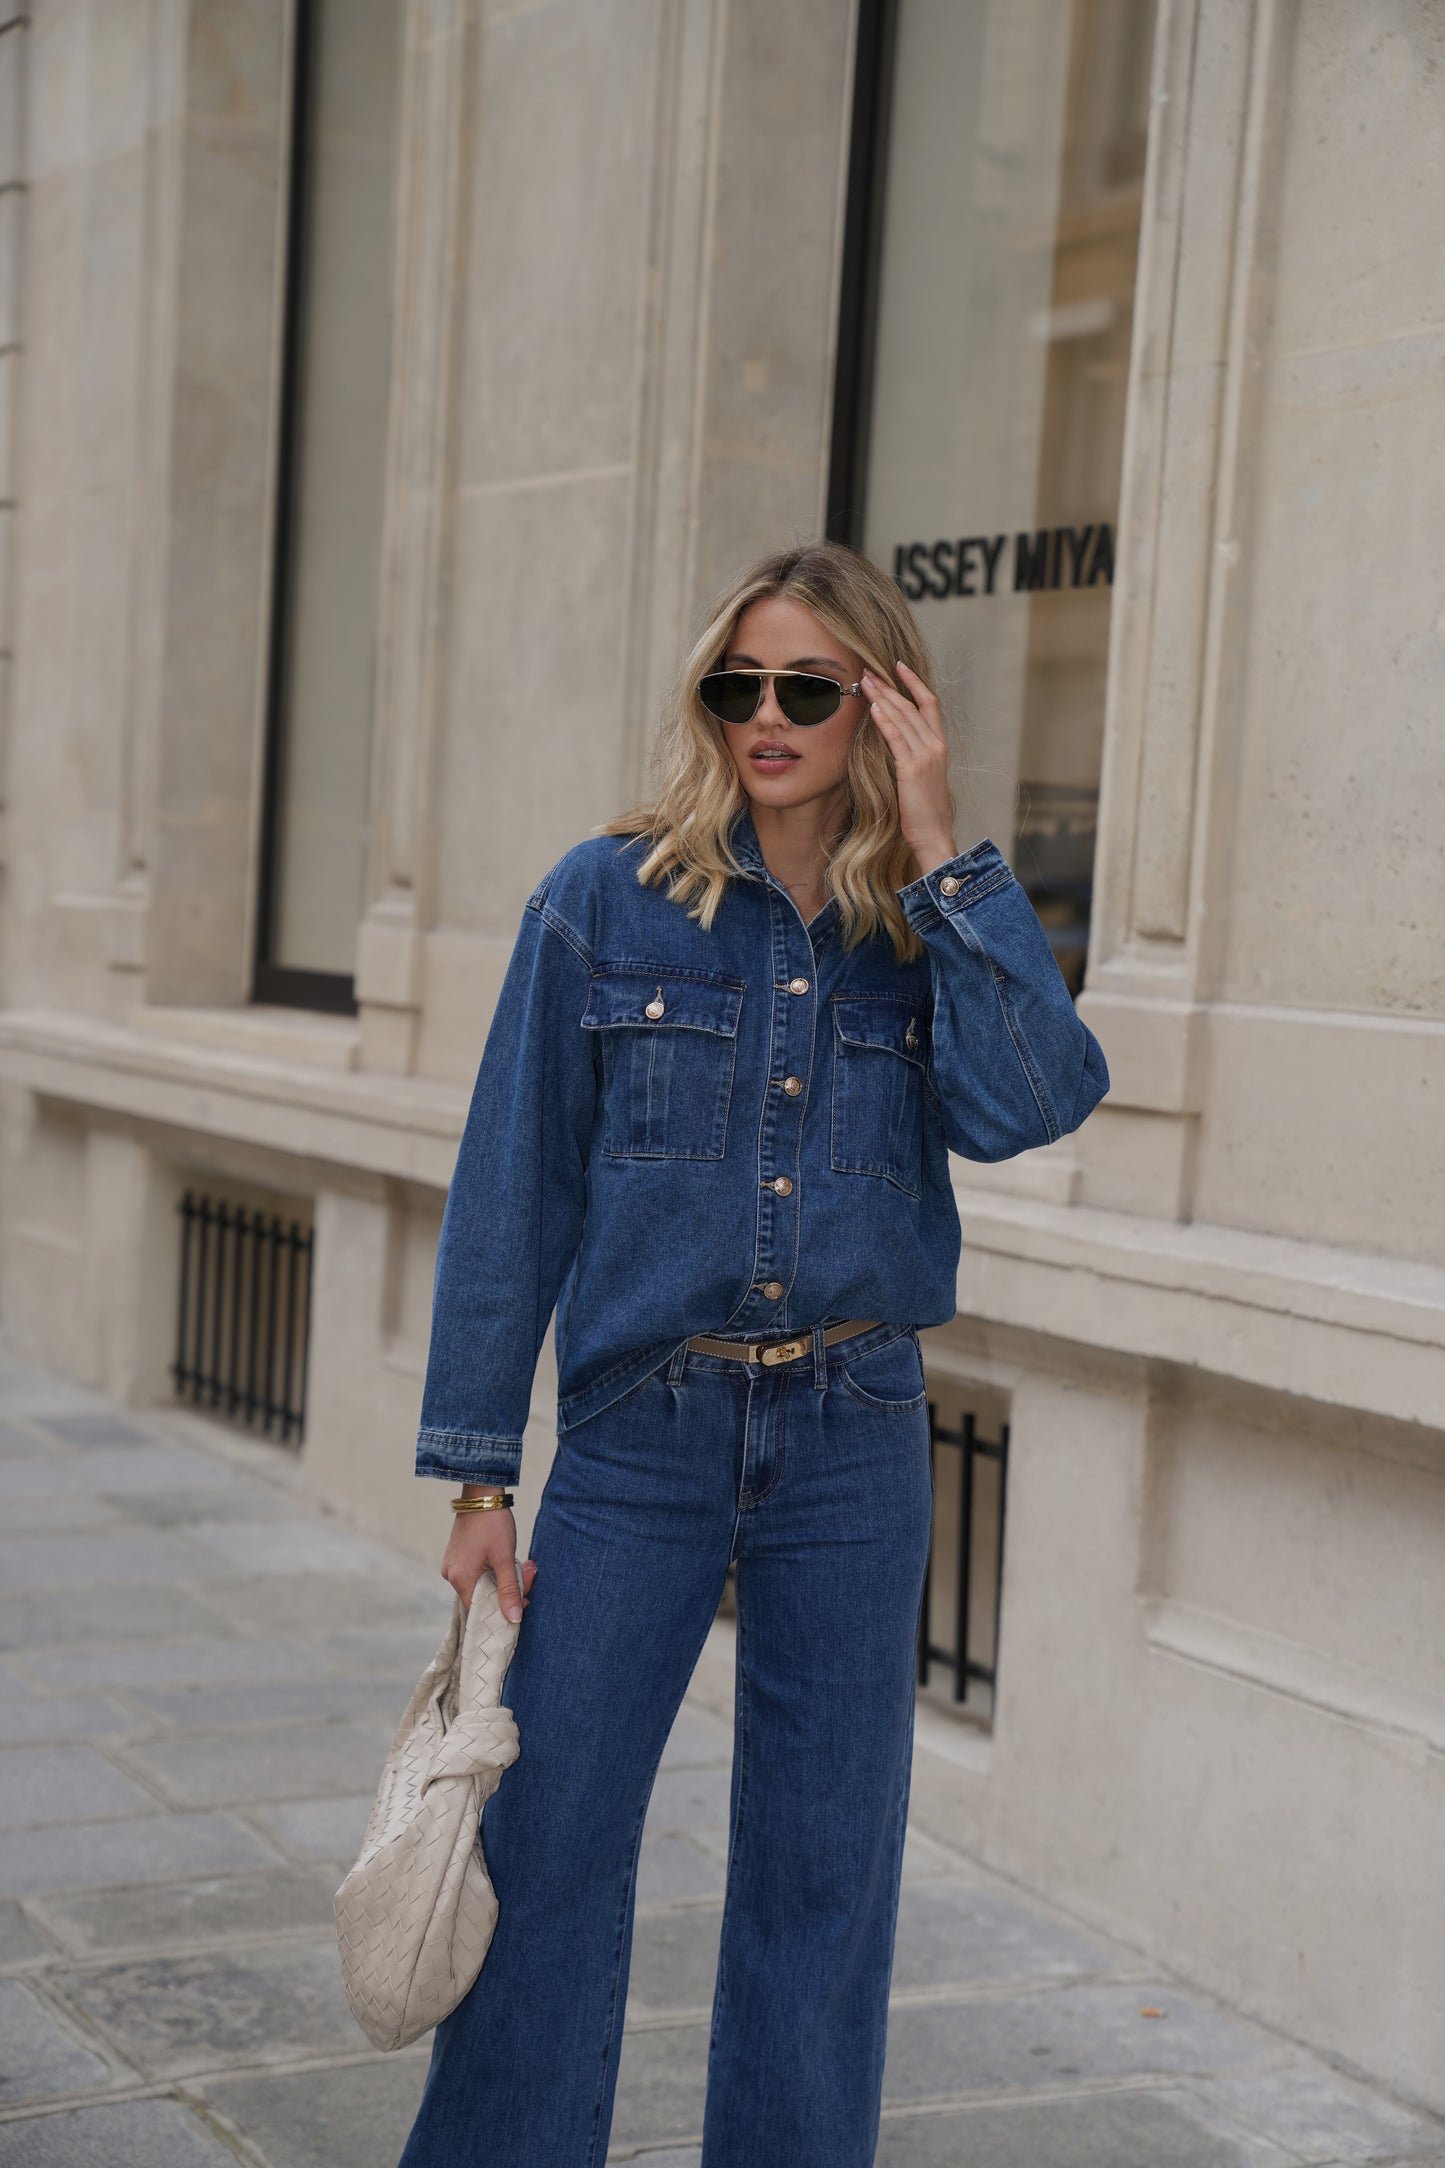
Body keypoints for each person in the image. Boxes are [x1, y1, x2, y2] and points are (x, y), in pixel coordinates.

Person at [397, 539, 1109, 2166]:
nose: (766, 717)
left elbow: (1032, 1107)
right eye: (740, 685)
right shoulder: (605, 900)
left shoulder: (919, 933)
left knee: (820, 1869)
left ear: (880, 704)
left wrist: (943, 854)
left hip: (853, 1432)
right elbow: (515, 1190)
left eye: (808, 687)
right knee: (552, 1845)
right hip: (644, 1429)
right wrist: (473, 1479)